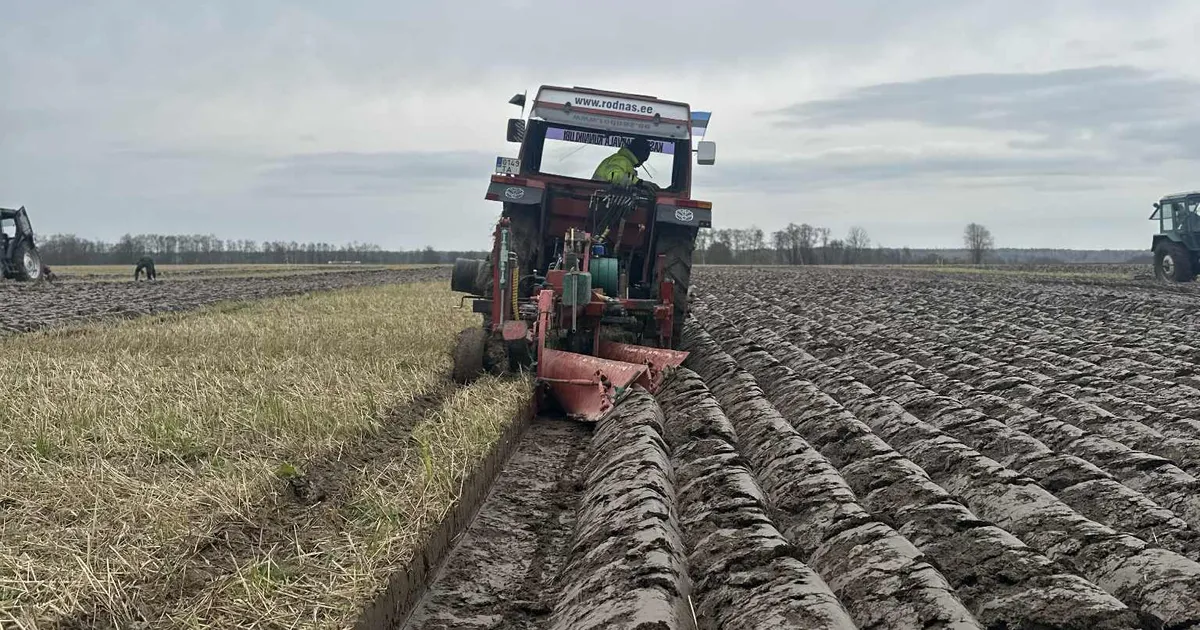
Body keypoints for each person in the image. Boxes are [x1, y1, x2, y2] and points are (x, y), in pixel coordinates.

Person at [592, 137, 659, 190]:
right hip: (599, 198)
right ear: (640, 155)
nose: (642, 163)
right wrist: (638, 182)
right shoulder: (621, 160)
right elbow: (614, 175)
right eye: (644, 159)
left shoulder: (625, 161)